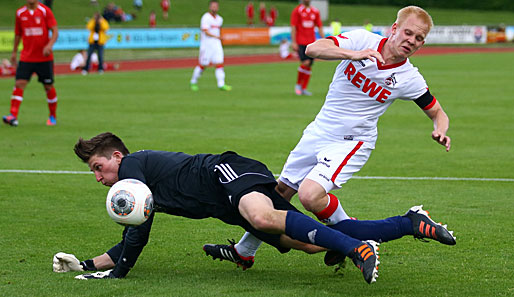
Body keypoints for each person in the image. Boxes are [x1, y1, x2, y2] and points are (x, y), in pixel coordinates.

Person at [205, 5, 455, 270]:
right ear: (394, 28)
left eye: (418, 39)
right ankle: (245, 251)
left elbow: (437, 111)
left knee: (310, 196)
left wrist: (441, 129)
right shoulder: (361, 40)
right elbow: (313, 49)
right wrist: (354, 54)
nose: (411, 41)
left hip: (352, 140)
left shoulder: (408, 78)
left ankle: (352, 239)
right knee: (280, 193)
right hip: (319, 130)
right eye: (408, 33)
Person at [52, 132, 381, 284]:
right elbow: (131, 236)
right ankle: (392, 229)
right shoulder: (135, 177)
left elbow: (139, 230)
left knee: (266, 217)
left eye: (98, 167)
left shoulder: (131, 167)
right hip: (227, 203)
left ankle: (361, 245)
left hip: (226, 175)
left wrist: (118, 273)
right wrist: (83, 264)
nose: (98, 177)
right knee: (308, 244)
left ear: (117, 157)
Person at [3, 0, 59, 127]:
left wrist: (49, 45)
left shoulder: (45, 11)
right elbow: (18, 34)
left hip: (44, 58)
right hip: (26, 57)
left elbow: (55, 31)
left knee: (48, 86)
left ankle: (52, 116)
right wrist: (14, 52)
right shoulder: (20, 13)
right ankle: (13, 115)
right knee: (19, 83)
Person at [190, 0, 232, 92]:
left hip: (216, 44)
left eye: (216, 6)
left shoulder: (220, 19)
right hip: (207, 44)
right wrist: (218, 37)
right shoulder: (206, 17)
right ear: (210, 7)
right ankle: (193, 81)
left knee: (219, 63)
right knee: (203, 65)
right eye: (213, 6)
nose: (214, 8)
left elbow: (218, 31)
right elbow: (206, 32)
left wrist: (219, 38)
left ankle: (221, 84)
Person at [290, 0, 324, 96]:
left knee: (309, 65)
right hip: (301, 42)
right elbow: (293, 27)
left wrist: (325, 40)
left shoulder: (315, 11)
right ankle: (298, 85)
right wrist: (293, 42)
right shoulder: (297, 11)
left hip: (312, 42)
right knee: (306, 63)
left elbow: (319, 26)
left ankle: (304, 88)